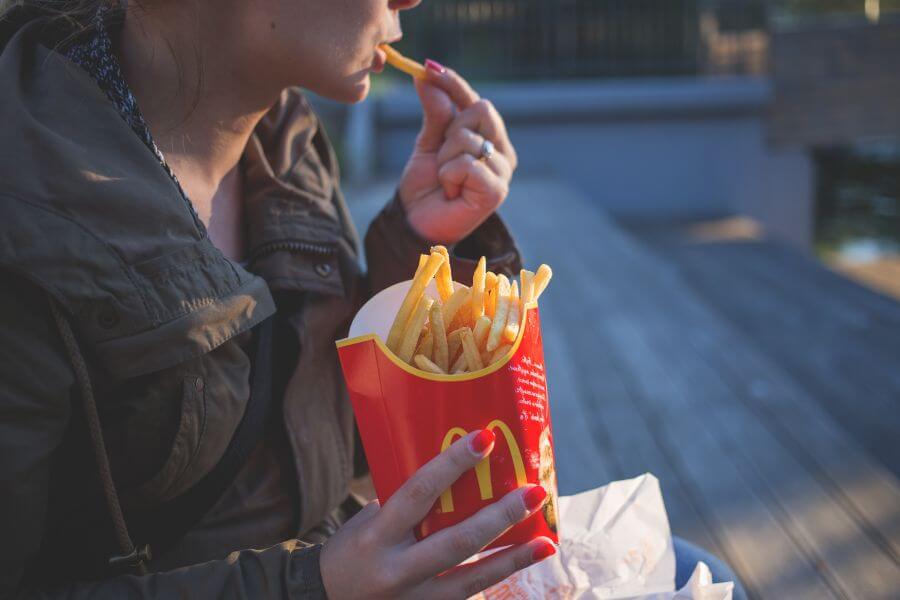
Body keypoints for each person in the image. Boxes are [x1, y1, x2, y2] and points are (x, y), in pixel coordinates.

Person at [0, 1, 745, 598]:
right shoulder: (25, 212)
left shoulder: (285, 139)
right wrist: (317, 585)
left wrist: (423, 239)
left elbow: (321, 449)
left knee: (692, 569)